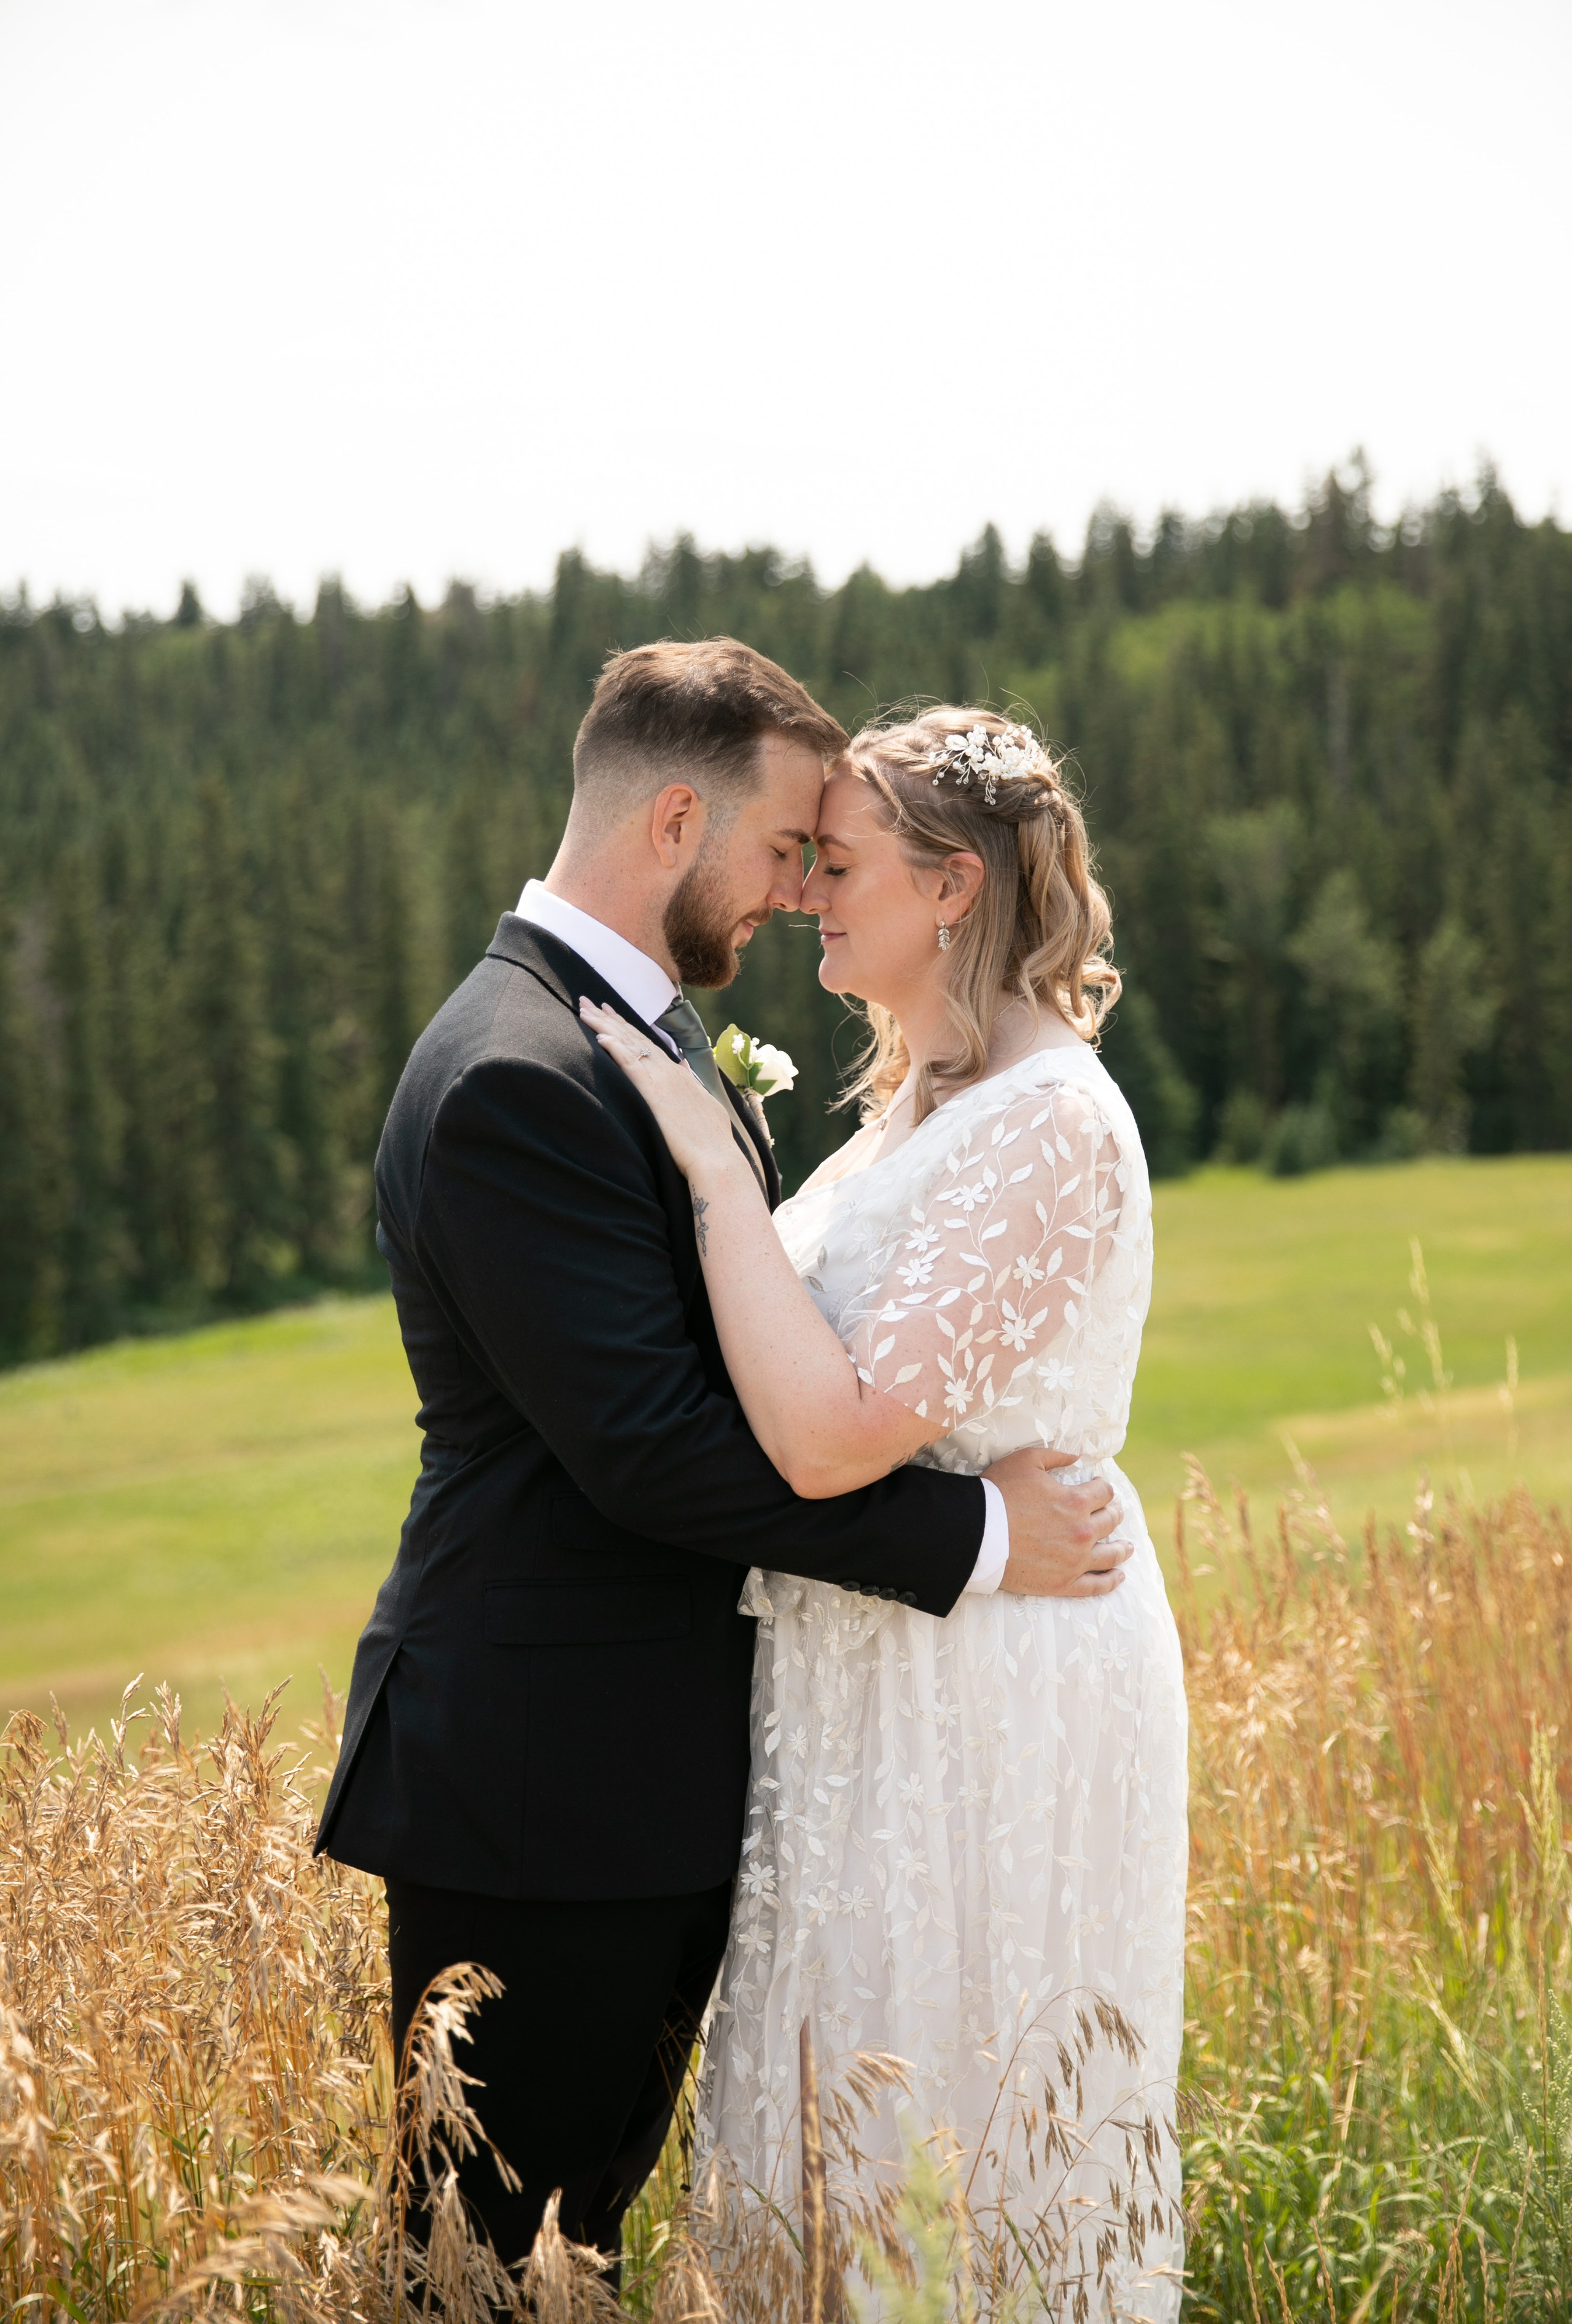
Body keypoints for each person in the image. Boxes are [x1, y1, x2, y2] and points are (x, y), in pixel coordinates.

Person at [314, 642, 1132, 2276]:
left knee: (578, 2249)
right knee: (486, 2271)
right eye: (781, 848)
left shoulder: (628, 1035)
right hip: (542, 1782)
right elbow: (654, 1455)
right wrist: (973, 1539)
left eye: (829, 859)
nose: (794, 890)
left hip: (646, 1774)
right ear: (677, 820)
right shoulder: (515, 1072)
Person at [584, 705, 1188, 2318]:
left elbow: (837, 1436)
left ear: (953, 885)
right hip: (871, 1672)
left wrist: (716, 1174)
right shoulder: (916, 1100)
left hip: (992, 1681)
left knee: (958, 2124)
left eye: (839, 864)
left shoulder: (1051, 1121)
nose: (803, 894)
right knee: (839, 2133)